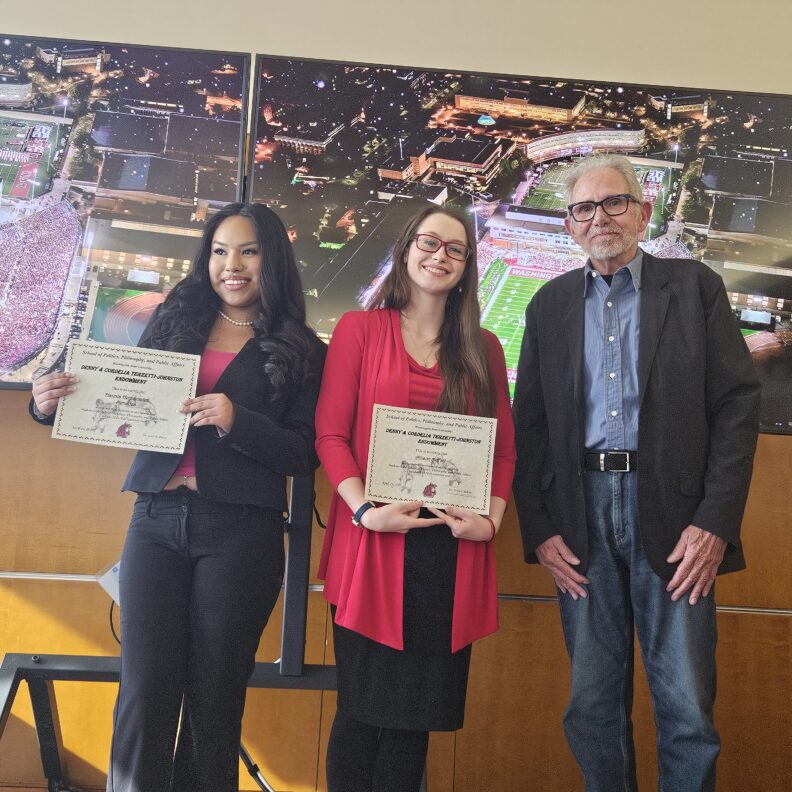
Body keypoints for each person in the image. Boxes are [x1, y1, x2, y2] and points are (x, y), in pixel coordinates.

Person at [30, 203, 326, 792]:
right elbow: (115, 398)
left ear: (271, 259)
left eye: (248, 251)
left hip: (241, 531)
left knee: (213, 700)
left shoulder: (302, 348)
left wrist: (237, 420)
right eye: (219, 251)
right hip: (155, 517)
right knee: (143, 691)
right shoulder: (174, 319)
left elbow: (303, 454)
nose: (231, 265)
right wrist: (47, 406)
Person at [512, 154, 761, 792]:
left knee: (686, 709)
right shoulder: (547, 305)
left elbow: (737, 407)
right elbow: (529, 427)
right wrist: (539, 530)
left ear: (643, 212)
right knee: (592, 705)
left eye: (614, 202)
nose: (600, 218)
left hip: (678, 519)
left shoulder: (696, 288)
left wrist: (714, 523)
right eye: (583, 208)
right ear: (569, 224)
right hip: (579, 517)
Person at [315, 205, 516, 792]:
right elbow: (329, 435)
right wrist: (364, 511)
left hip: (446, 553)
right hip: (373, 544)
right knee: (360, 714)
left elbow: (503, 452)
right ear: (406, 250)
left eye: (455, 249)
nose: (440, 256)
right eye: (429, 242)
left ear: (467, 265)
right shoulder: (359, 329)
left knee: (412, 727)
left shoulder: (485, 347)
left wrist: (491, 521)